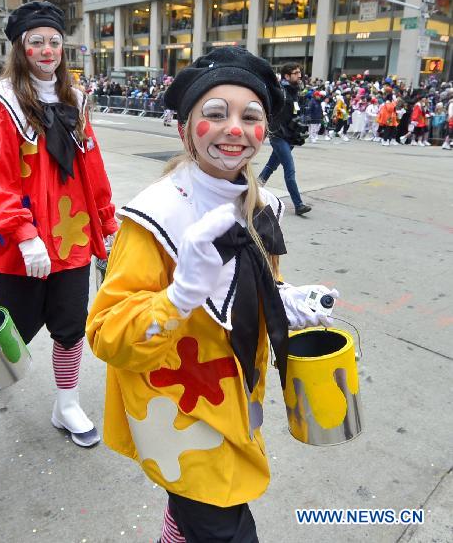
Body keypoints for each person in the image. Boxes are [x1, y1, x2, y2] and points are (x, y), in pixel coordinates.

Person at [86, 46, 338, 542]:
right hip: (179, 409)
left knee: (195, 517)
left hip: (236, 396)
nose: (235, 129)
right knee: (225, 528)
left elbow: (251, 285)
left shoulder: (258, 202)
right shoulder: (156, 215)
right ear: (185, 128)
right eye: (216, 114)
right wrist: (180, 297)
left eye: (250, 116)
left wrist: (285, 300)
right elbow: (106, 335)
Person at [0, 1, 118, 448]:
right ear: (21, 47)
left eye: (54, 42)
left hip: (72, 237)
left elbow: (92, 165)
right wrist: (23, 234)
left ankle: (66, 403)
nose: (47, 50)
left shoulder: (75, 97)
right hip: (24, 241)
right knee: (20, 328)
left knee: (70, 327)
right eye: (37, 42)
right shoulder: (1, 101)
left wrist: (106, 220)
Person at [257, 62, 312, 216]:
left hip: (290, 136)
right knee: (289, 170)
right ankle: (298, 204)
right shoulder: (279, 91)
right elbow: (267, 109)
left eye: (299, 72)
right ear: (287, 76)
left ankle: (254, 190)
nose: (299, 75)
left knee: (271, 166)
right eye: (295, 73)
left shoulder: (296, 91)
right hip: (278, 135)